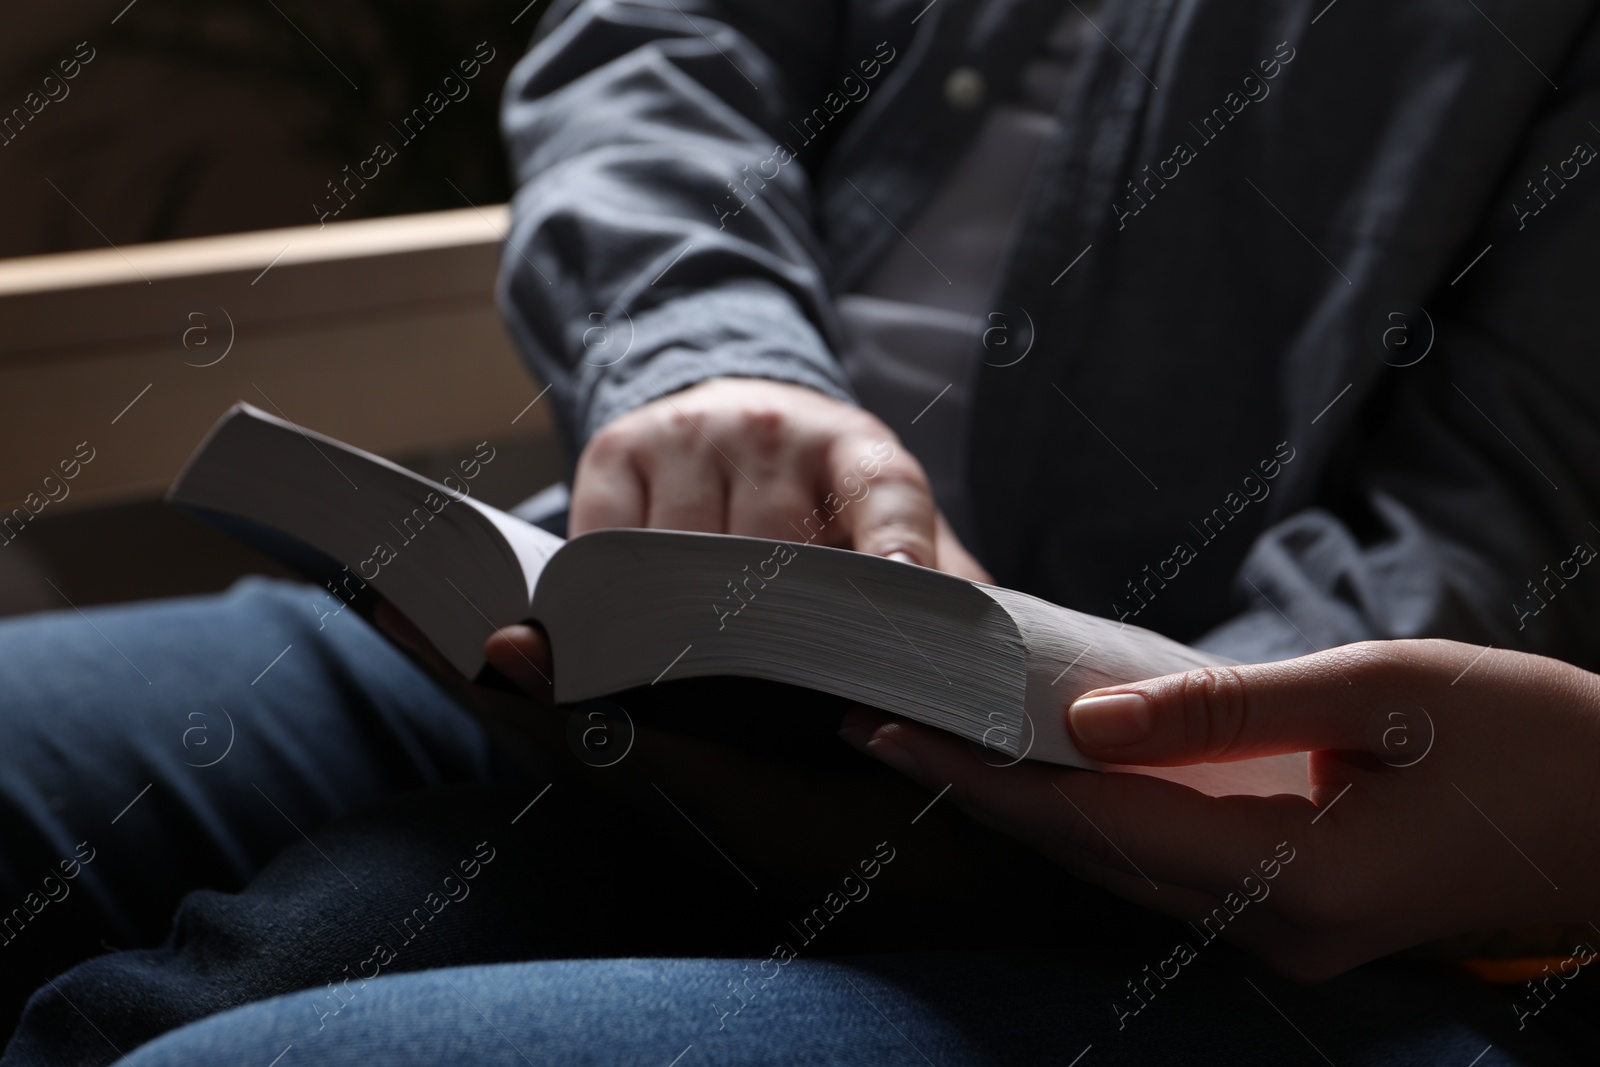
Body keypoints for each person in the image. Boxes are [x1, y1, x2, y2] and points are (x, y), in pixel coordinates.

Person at [3, 0, 1599, 1065]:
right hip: (607, 625)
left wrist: (1098, 761)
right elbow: (657, 36)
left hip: (1183, 817)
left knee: (222, 1016)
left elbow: (1493, 508)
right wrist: (714, 366)